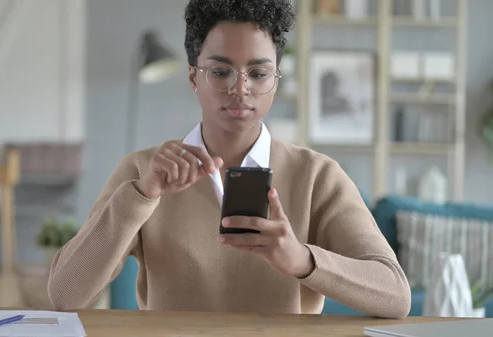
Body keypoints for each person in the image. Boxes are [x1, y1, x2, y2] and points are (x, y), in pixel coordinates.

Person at [48, 0, 411, 318]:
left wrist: (302, 260)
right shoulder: (143, 171)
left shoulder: (317, 176)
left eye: (258, 73)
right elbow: (65, 295)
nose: (240, 88)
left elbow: (395, 295)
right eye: (220, 72)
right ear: (193, 77)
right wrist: (143, 194)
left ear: (276, 79)